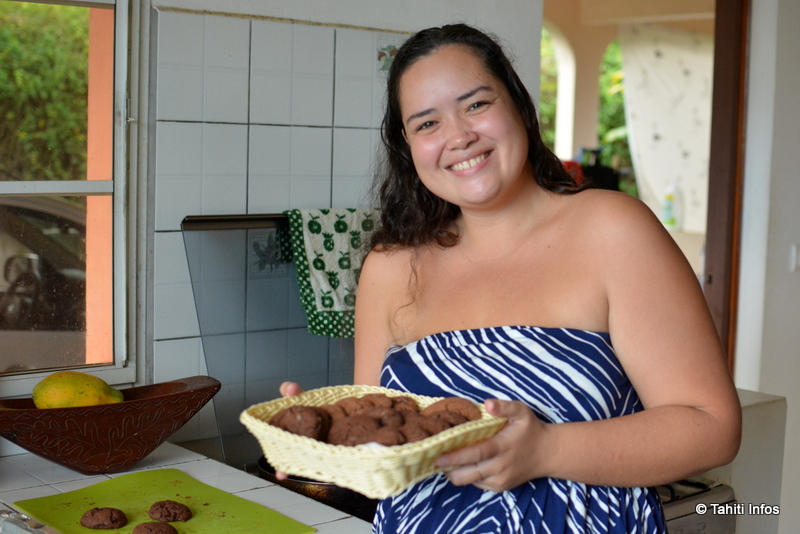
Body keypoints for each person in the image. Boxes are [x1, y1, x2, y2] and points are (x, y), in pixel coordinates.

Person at [283, 23, 741, 533]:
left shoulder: (613, 230)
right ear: (408, 147)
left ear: (519, 106)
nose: (458, 136)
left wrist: (548, 449)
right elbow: (381, 452)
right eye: (427, 124)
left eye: (476, 104)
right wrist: (321, 445)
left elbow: (712, 427)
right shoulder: (391, 268)